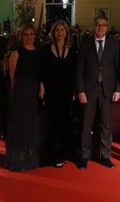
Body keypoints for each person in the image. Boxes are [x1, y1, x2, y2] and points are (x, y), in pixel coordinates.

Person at [75, 15, 120, 169]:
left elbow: (118, 69)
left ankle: (105, 155)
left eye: (103, 25)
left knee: (106, 126)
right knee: (86, 125)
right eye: (97, 25)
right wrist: (80, 90)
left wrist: (118, 89)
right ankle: (84, 156)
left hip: (107, 90)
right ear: (93, 26)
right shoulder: (85, 44)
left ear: (107, 27)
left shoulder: (114, 44)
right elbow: (79, 69)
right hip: (88, 91)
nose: (100, 27)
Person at [5, 24, 44, 171]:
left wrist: (41, 87)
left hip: (33, 92)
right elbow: (13, 78)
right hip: (20, 93)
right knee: (20, 125)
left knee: (32, 125)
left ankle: (30, 156)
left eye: (31, 34)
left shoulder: (39, 53)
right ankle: (18, 157)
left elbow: (41, 73)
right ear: (22, 37)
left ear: (35, 36)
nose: (29, 37)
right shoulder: (16, 53)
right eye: (26, 34)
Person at [43, 20, 76, 167]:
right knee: (51, 122)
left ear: (67, 32)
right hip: (50, 91)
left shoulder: (73, 49)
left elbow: (75, 72)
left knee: (65, 122)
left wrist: (75, 89)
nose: (60, 33)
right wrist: (41, 87)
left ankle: (63, 152)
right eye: (57, 30)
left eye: (63, 30)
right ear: (53, 32)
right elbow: (41, 70)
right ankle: (52, 153)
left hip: (67, 91)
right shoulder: (46, 48)